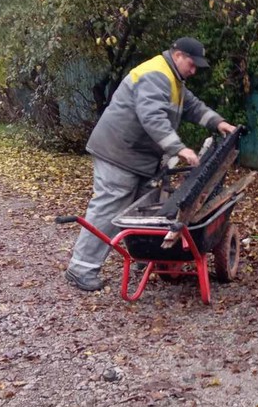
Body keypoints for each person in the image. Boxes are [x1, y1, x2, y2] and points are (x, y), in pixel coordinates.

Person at [65, 37, 237, 291]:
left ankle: (144, 256)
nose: (194, 70)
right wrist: (178, 148)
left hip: (138, 157)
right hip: (118, 152)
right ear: (177, 55)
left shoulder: (173, 79)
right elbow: (151, 117)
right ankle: (81, 269)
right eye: (192, 64)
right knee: (108, 208)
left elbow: (192, 106)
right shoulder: (155, 75)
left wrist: (218, 123)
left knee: (143, 211)